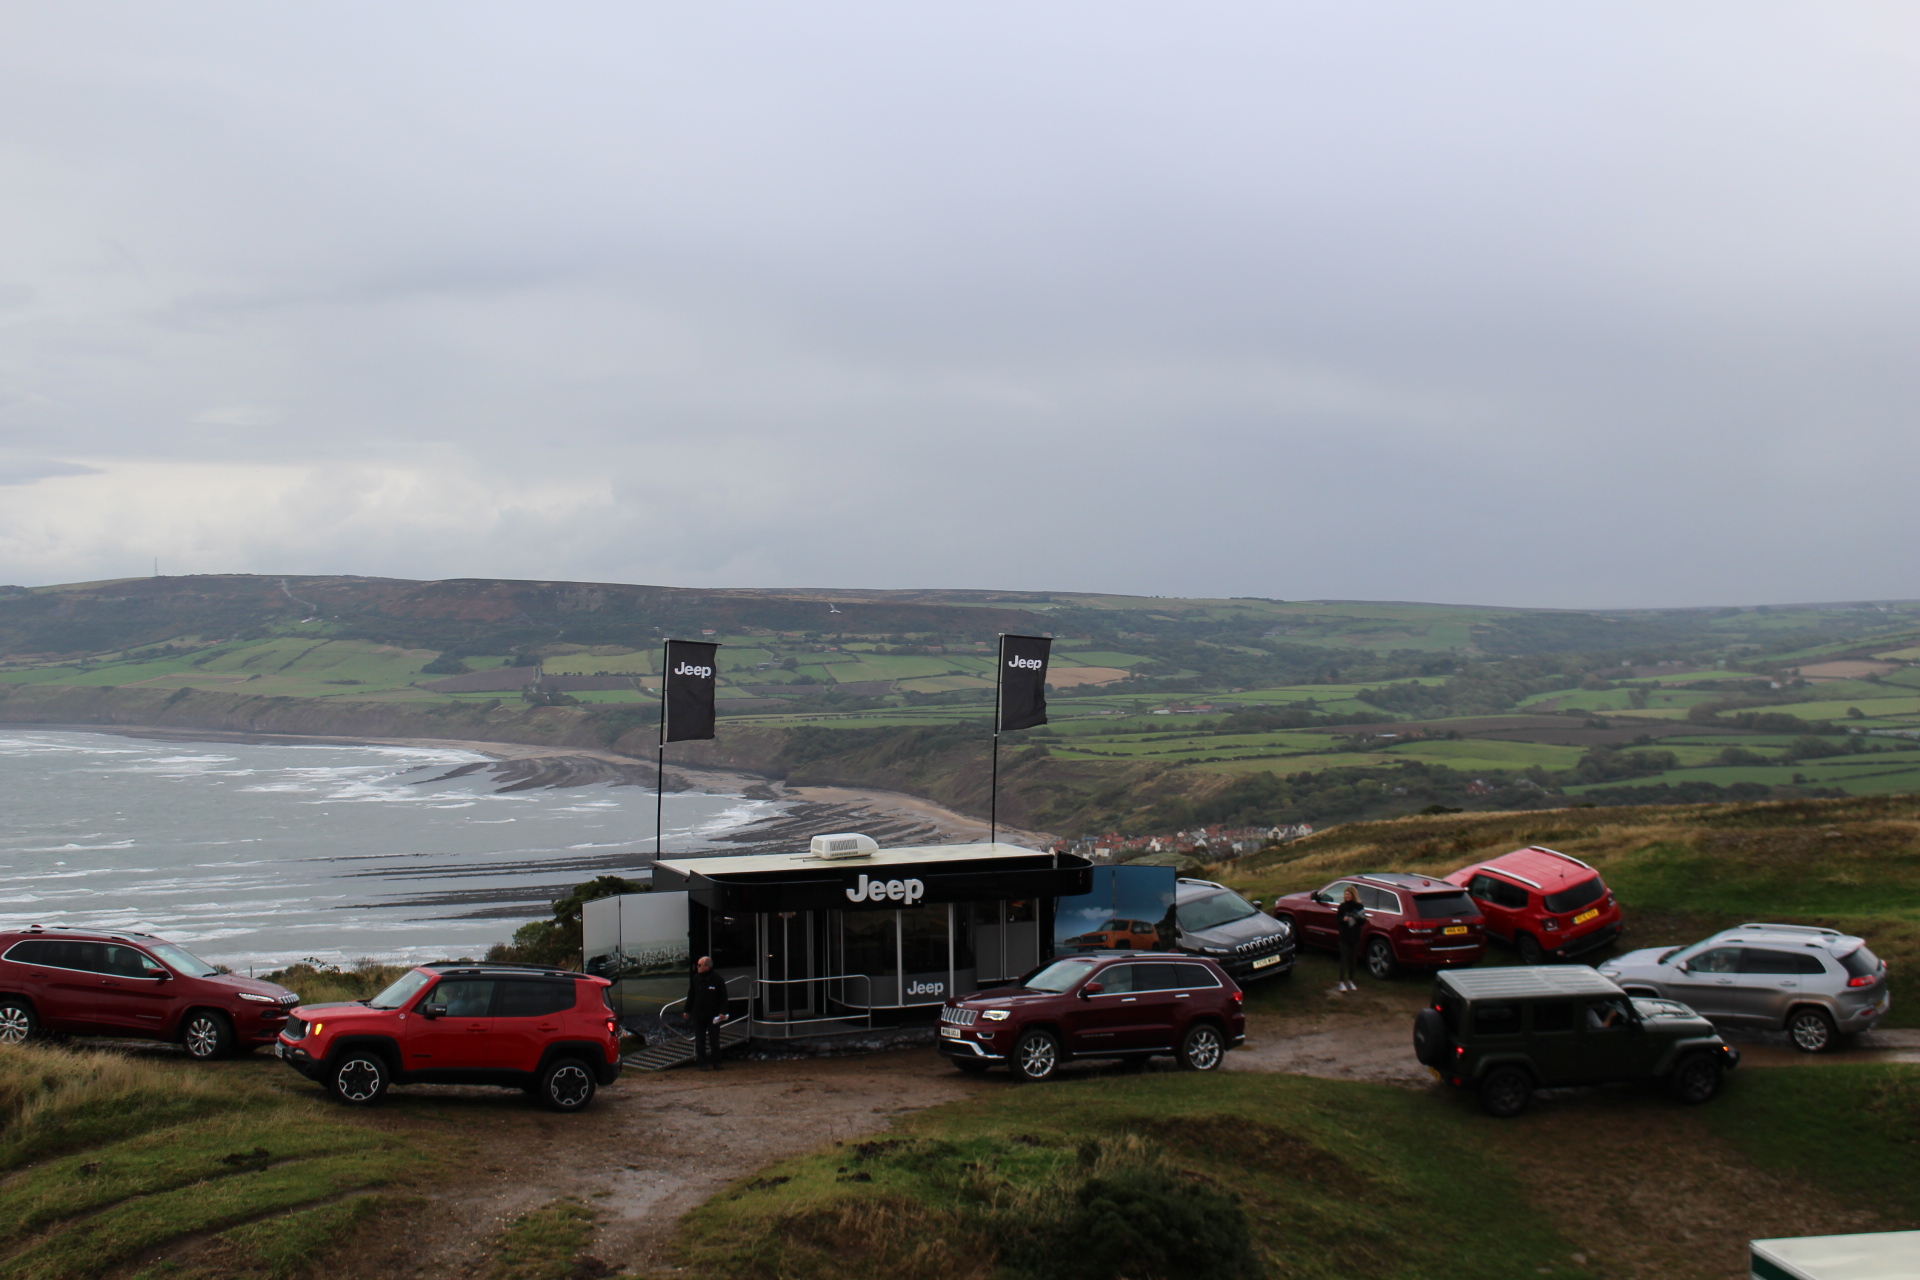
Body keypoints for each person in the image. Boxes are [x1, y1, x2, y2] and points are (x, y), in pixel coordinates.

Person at [687, 955, 730, 1070]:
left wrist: (723, 1012)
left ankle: (717, 1063)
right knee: (700, 1040)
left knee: (714, 1040)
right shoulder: (696, 978)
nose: (698, 967)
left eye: (700, 965)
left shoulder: (717, 979)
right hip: (698, 1014)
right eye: (697, 965)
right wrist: (687, 1009)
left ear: (707, 966)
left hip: (713, 1015)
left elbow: (723, 997)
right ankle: (702, 1064)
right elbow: (691, 995)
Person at [1336, 886, 1366, 992]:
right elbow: (1338, 920)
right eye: (1346, 895)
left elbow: (1363, 921)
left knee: (1353, 959)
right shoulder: (1342, 906)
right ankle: (1341, 982)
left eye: (1349, 894)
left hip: (1355, 936)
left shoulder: (1359, 906)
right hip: (1344, 936)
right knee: (1344, 959)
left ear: (1353, 895)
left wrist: (1357, 918)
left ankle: (1350, 980)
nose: (1347, 896)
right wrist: (1344, 919)